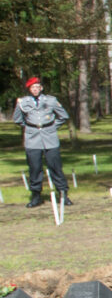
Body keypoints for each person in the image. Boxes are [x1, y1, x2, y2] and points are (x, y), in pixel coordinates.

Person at [12, 76, 71, 208]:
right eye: (32, 87)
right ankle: (36, 196)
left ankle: (63, 195)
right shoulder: (23, 102)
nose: (35, 89)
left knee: (55, 166)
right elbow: (17, 119)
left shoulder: (51, 100)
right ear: (29, 89)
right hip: (32, 139)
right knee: (35, 168)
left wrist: (51, 127)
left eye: (37, 87)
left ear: (41, 88)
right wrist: (30, 128)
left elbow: (63, 116)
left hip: (50, 138)